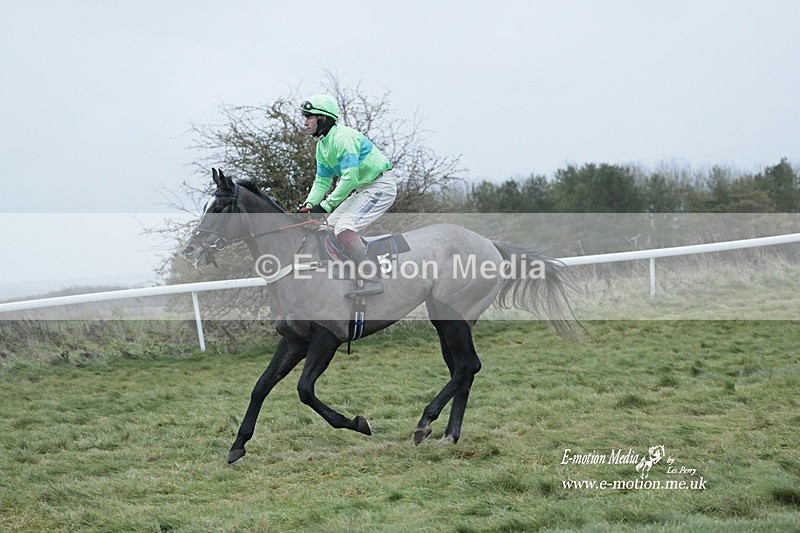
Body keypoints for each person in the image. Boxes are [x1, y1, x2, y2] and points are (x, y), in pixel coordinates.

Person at [298, 94, 397, 297]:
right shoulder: (322, 146)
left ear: (323, 118)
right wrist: (309, 204)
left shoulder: (342, 138)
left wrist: (325, 206)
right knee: (327, 227)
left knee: (344, 228)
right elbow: (322, 181)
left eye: (309, 117)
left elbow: (349, 178)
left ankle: (371, 278)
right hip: (365, 189)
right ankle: (348, 275)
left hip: (381, 186)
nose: (305, 123)